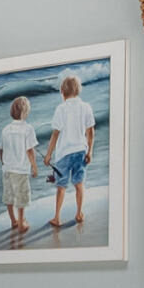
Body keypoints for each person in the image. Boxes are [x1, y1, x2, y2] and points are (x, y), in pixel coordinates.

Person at [46, 71, 96, 232]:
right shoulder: (86, 107)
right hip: (81, 151)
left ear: (63, 92)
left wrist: (48, 155)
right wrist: (90, 152)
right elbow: (91, 132)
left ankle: (57, 217)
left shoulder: (61, 109)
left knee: (61, 186)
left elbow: (55, 133)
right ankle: (79, 213)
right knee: (79, 184)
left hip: (63, 154)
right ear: (78, 90)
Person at [0, 94, 39, 242]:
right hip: (20, 170)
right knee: (21, 197)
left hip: (7, 169)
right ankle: (21, 223)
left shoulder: (5, 129)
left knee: (9, 196)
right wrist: (34, 167)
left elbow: (1, 150)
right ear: (25, 112)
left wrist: (3, 162)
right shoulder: (28, 129)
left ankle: (13, 221)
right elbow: (30, 151)